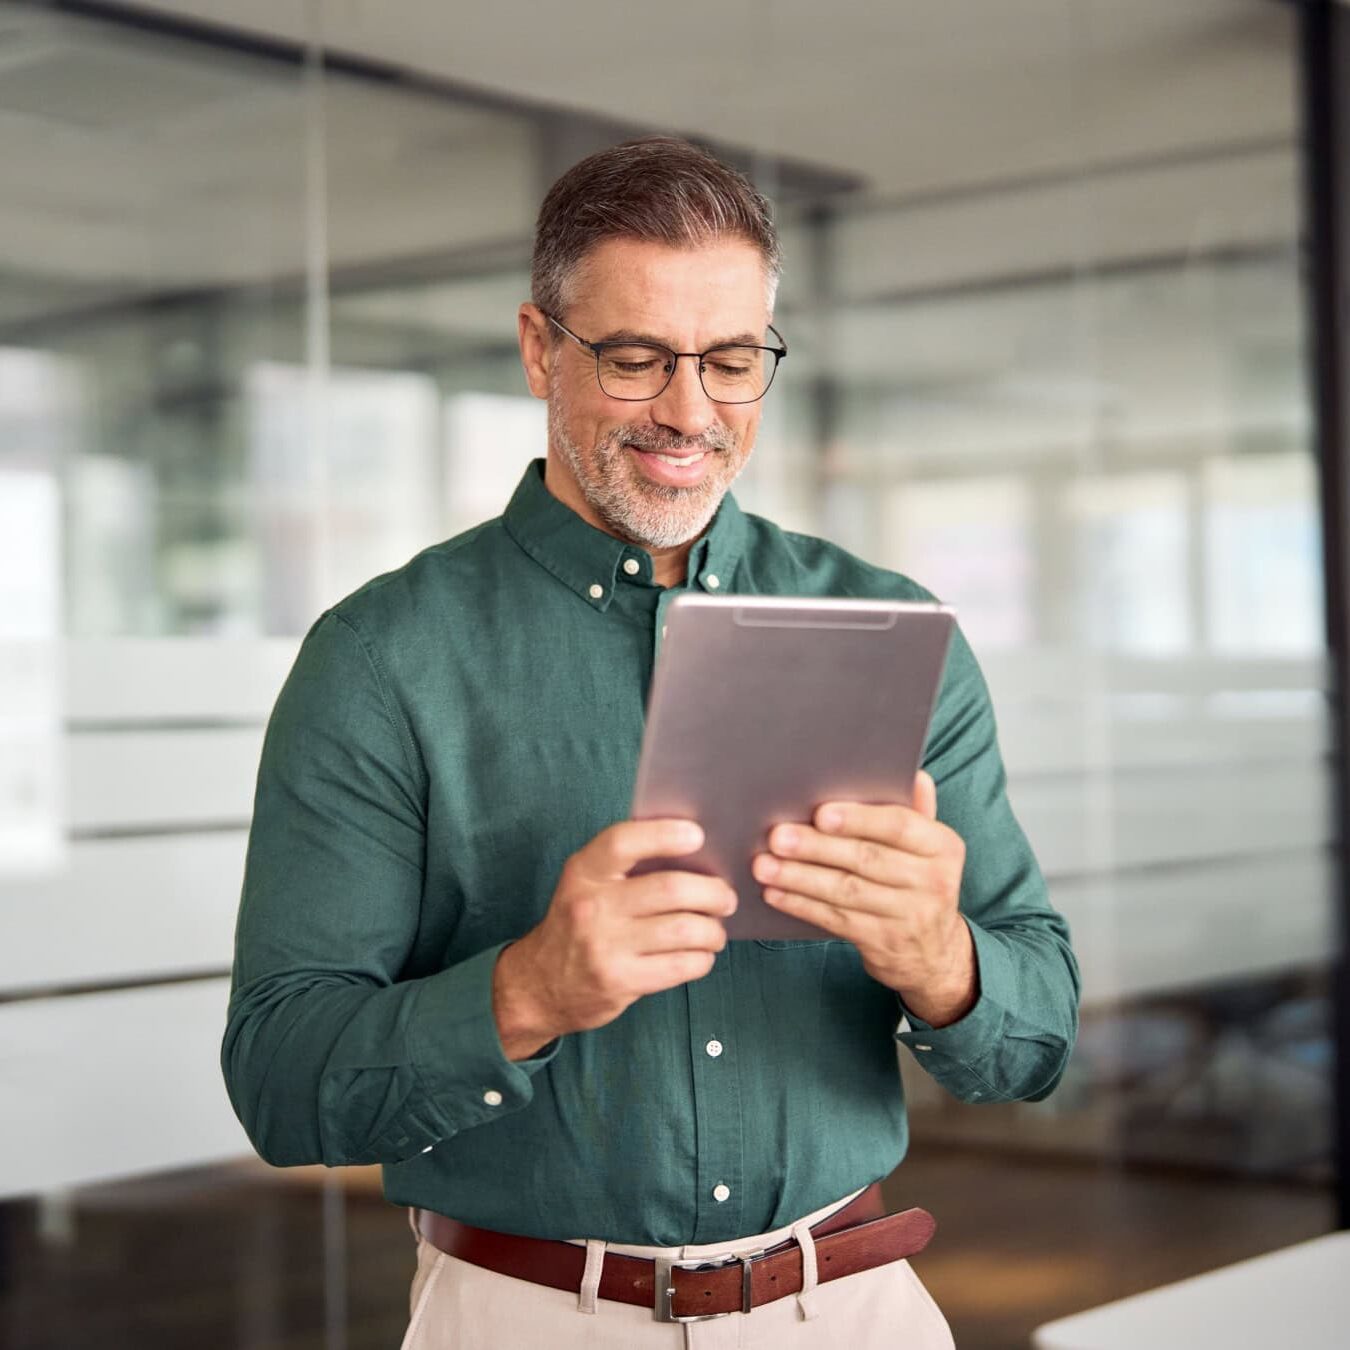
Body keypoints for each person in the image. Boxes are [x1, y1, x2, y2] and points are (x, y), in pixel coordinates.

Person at [222, 135, 1080, 1349]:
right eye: (635, 360)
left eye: (733, 361)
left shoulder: (893, 631)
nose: (690, 412)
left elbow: (1039, 1030)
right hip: (526, 1320)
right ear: (539, 350)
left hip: (851, 1314)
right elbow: (280, 1081)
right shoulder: (380, 659)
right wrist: (525, 993)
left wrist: (940, 957)